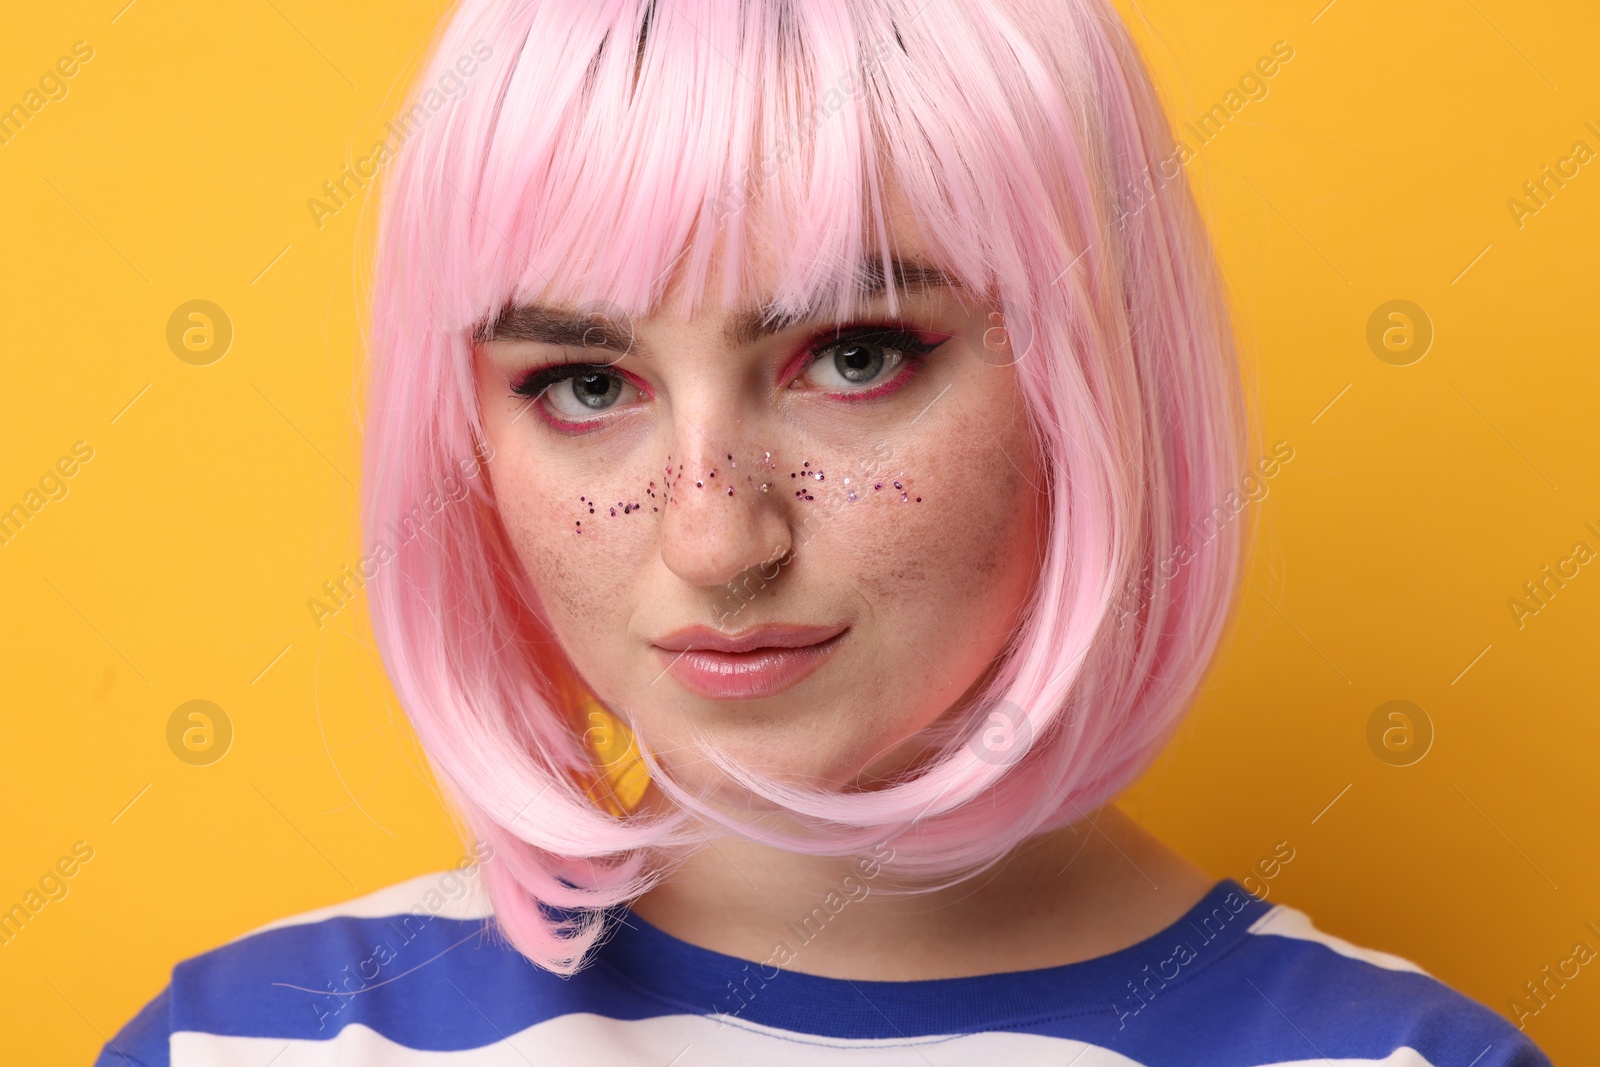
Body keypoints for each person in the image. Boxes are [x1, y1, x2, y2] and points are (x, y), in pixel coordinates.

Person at [97, 0, 1554, 1063]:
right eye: (586, 384)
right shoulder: (250, 1047)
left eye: (856, 355)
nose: (719, 540)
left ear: (1094, 375)